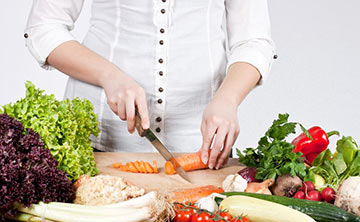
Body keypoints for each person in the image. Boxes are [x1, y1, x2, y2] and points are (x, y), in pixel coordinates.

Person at [24, 0, 276, 170]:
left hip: (203, 148)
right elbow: (44, 27)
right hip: (101, 141)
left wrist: (227, 99)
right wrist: (109, 75)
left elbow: (253, 41)